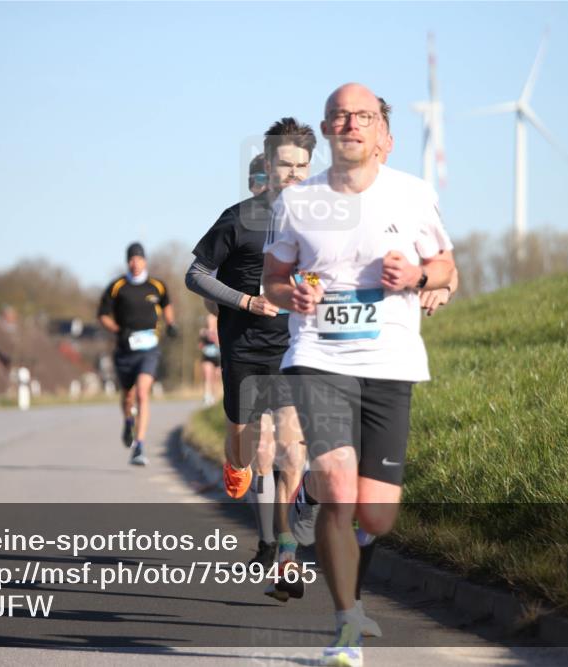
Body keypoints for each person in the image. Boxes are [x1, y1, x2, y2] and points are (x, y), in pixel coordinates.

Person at [263, 83, 457, 667]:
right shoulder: (296, 203)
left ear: (381, 134)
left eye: (363, 116)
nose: (350, 124)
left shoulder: (413, 195)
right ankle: (346, 625)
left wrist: (419, 278)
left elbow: (449, 267)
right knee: (339, 491)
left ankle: (349, 558)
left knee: (376, 514)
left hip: (391, 364)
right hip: (319, 359)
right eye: (339, 116)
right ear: (325, 130)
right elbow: (273, 279)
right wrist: (288, 294)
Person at [185, 118, 315, 598]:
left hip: (290, 347)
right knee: (248, 450)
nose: (295, 175)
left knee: (287, 448)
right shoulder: (239, 219)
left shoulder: (318, 221)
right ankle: (236, 467)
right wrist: (243, 302)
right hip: (241, 347)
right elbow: (195, 274)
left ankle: (283, 554)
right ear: (269, 165)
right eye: (286, 165)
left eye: (303, 166)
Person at [98, 242, 178, 466]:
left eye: (139, 259)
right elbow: (102, 315)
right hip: (125, 350)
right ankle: (127, 421)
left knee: (143, 393)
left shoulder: (157, 286)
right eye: (131, 259)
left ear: (145, 261)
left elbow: (167, 304)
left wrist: (171, 323)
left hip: (149, 349)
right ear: (127, 262)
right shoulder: (117, 286)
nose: (135, 263)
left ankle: (139, 445)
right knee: (128, 395)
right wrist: (117, 330)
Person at [198, 313, 221, 405]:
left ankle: (214, 398)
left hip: (218, 357)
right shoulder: (203, 332)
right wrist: (203, 337)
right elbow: (200, 345)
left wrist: (215, 337)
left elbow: (221, 344)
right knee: (208, 375)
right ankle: (207, 396)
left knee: (216, 378)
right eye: (208, 320)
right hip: (207, 356)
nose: (210, 322)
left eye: (212, 320)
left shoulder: (219, 330)